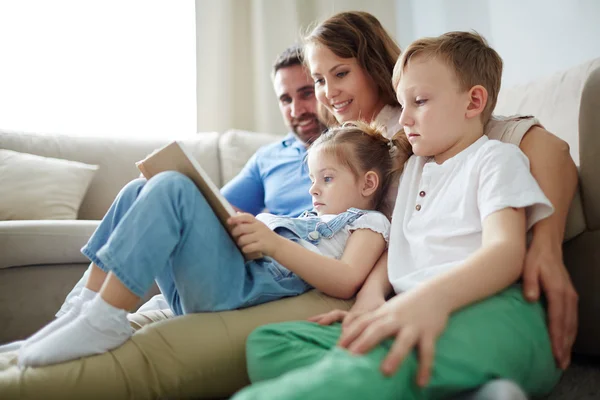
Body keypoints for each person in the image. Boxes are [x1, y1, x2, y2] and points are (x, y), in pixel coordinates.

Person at [232, 31, 563, 400]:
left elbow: (506, 252)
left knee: (358, 369)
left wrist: (425, 302)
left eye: (419, 101)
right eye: (402, 104)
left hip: (493, 312)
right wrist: (371, 299)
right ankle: (479, 392)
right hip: (414, 309)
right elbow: (400, 243)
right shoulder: (414, 169)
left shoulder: (494, 159)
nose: (403, 119)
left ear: (473, 102)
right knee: (269, 344)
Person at [302, 11, 578, 371]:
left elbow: (549, 149)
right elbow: (400, 237)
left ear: (372, 66)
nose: (328, 91)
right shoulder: (350, 144)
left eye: (341, 73)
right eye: (318, 80)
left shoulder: (434, 133)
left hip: (412, 286)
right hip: (366, 274)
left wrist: (546, 245)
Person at [17, 121, 407, 367]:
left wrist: (274, 245)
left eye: (327, 178)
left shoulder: (368, 222)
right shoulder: (309, 218)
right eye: (312, 178)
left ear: (368, 184)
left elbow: (347, 279)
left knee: (171, 186)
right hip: (221, 279)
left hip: (238, 290)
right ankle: (81, 308)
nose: (313, 189)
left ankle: (105, 318)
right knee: (141, 187)